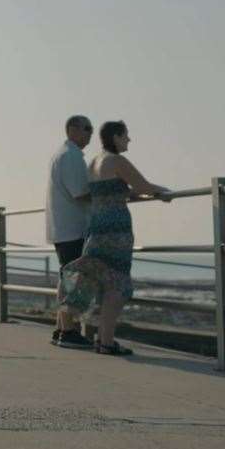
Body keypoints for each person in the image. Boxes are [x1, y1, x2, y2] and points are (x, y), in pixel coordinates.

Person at [57, 121, 170, 356]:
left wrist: (139, 191)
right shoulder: (116, 160)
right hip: (116, 229)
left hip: (97, 227)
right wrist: (163, 191)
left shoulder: (94, 162)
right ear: (116, 137)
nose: (129, 140)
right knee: (117, 283)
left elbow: (115, 191)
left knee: (96, 276)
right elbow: (143, 186)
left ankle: (93, 336)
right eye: (126, 136)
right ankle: (106, 342)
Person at [47, 115, 94, 349]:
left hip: (64, 227)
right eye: (87, 129)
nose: (91, 134)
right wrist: (109, 197)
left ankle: (60, 328)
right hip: (72, 227)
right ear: (72, 130)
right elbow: (80, 193)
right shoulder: (71, 156)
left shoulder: (63, 155)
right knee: (72, 278)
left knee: (67, 275)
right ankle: (67, 331)